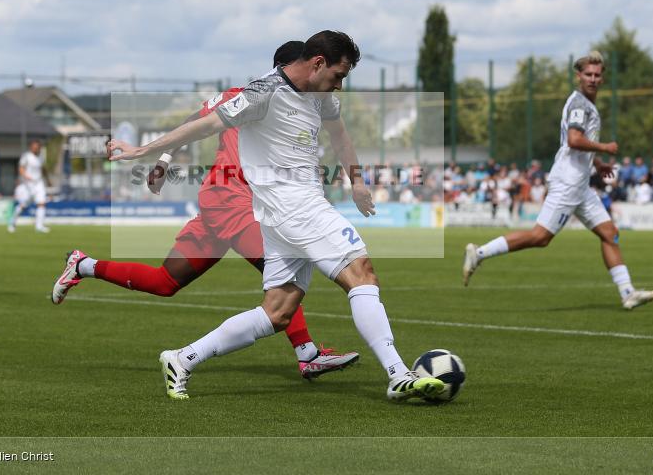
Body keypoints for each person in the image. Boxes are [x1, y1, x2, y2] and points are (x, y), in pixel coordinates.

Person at [101, 30, 445, 402]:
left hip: (278, 218)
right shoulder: (263, 94)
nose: (340, 86)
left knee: (277, 312)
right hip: (297, 209)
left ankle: (182, 359)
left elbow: (340, 137)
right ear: (317, 64)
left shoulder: (323, 96)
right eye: (338, 76)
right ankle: (398, 373)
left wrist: (357, 183)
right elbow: (205, 123)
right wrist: (144, 152)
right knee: (361, 273)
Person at [52, 41, 360, 381]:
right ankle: (308, 354)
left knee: (165, 281)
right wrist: (162, 159)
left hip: (234, 205)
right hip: (230, 199)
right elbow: (195, 121)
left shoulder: (300, 106)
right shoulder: (251, 95)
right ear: (292, 67)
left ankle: (83, 264)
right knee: (278, 266)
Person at [462, 51, 653, 310]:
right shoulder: (579, 104)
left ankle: (627, 293)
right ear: (578, 76)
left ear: (602, 78)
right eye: (587, 74)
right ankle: (479, 253)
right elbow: (574, 140)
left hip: (581, 184)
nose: (592, 78)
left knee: (609, 233)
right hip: (568, 182)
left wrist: (596, 164)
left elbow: (575, 146)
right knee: (540, 237)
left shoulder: (587, 104)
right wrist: (604, 148)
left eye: (597, 75)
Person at [8, 140, 50, 233]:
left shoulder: (41, 157)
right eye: (34, 147)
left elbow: (43, 169)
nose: (36, 149)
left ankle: (39, 226)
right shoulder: (26, 156)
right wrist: (26, 176)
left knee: (41, 203)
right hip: (28, 184)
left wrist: (48, 180)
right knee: (23, 205)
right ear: (31, 147)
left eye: (37, 147)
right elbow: (21, 168)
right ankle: (12, 222)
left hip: (39, 183)